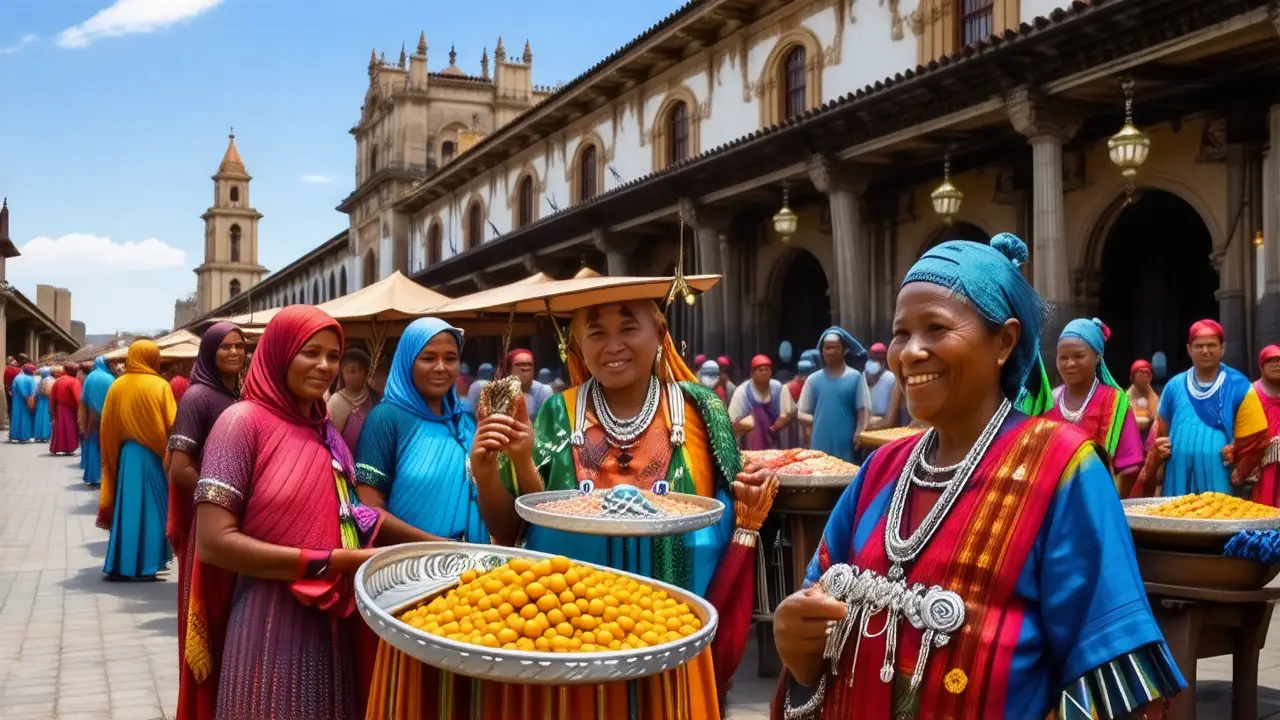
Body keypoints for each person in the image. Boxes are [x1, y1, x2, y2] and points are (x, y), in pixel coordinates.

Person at [771, 233, 1183, 720]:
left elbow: (1109, 669)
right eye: (902, 333)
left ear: (1005, 341)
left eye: (936, 328)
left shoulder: (1062, 470)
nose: (910, 352)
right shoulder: (882, 469)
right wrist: (799, 655)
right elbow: (816, 613)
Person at [469, 290, 759, 719]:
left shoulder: (702, 412)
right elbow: (514, 532)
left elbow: (734, 518)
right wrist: (494, 469)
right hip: (569, 645)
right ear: (578, 346)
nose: (613, 345)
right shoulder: (557, 413)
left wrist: (749, 497)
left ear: (660, 333)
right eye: (597, 332)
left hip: (674, 646)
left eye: (628, 327)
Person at [191, 306, 380, 720]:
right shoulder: (240, 424)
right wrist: (328, 562)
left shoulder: (324, 429)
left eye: (334, 355)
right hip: (268, 625)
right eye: (310, 352)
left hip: (333, 624)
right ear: (278, 353)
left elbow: (353, 515)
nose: (325, 366)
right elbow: (213, 542)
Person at [359, 318, 489, 718]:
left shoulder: (464, 422)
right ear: (406, 363)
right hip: (413, 579)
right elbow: (368, 512)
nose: (441, 368)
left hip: (474, 579)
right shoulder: (387, 420)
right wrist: (438, 546)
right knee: (416, 691)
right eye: (427, 357)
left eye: (451, 358)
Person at [166, 324, 246, 720]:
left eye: (239, 346)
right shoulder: (198, 397)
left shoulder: (241, 394)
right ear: (210, 352)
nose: (234, 353)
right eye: (225, 347)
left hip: (241, 523)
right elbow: (179, 469)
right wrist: (225, 494)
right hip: (212, 521)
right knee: (210, 620)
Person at [1133, 320, 1269, 498]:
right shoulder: (1174, 386)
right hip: (1177, 479)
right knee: (1175, 523)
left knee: (1219, 522)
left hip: (1222, 483)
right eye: (1199, 346)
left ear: (1223, 348)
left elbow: (1258, 439)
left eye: (1211, 345)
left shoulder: (1240, 386)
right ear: (1189, 349)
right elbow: (1162, 434)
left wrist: (1240, 469)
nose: (1205, 350)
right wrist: (1159, 454)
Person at [98, 341, 178, 581]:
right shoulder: (160, 385)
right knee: (155, 509)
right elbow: (173, 423)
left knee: (128, 510)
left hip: (126, 456)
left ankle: (122, 563)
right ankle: (148, 564)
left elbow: (107, 425)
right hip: (154, 457)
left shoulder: (117, 386)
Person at [1042, 318, 1145, 495]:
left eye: (1079, 356)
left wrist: (1112, 503)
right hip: (1053, 504)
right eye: (1063, 357)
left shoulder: (1114, 403)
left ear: (1097, 356)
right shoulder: (1048, 401)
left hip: (1097, 503)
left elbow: (1131, 466)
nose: (1070, 363)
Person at [797, 328, 870, 462]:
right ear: (822, 351)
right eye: (827, 348)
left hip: (846, 443)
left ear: (844, 350)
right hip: (820, 442)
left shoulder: (855, 378)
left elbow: (863, 409)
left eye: (835, 347)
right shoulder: (813, 380)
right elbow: (801, 413)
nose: (831, 351)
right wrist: (821, 420)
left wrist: (860, 431)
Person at [729, 354, 795, 450]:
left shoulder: (778, 388)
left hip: (776, 444)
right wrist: (746, 425)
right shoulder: (742, 391)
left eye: (767, 369)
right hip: (751, 447)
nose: (764, 373)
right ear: (752, 373)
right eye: (760, 370)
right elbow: (731, 422)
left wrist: (784, 420)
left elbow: (791, 412)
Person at [328, 348, 377, 452]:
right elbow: (331, 439)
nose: (357, 375)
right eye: (351, 370)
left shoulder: (375, 397)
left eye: (360, 370)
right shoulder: (335, 401)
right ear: (343, 374)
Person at [1251, 345, 1280, 507]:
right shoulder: (1252, 393)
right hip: (1261, 462)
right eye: (1271, 360)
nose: (1277, 364)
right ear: (1261, 366)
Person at [79, 357, 114, 485]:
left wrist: (83, 419)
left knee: (92, 445)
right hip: (107, 417)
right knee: (105, 447)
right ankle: (105, 477)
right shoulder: (110, 378)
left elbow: (83, 399)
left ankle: (93, 476)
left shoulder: (89, 378)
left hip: (91, 417)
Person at [505, 347, 553, 419]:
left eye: (529, 364)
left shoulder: (543, 391)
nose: (525, 368)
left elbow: (547, 422)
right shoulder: (500, 391)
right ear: (509, 370)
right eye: (519, 364)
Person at [864, 342, 902, 431]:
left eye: (879, 360)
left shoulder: (891, 379)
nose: (874, 363)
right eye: (872, 359)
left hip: (883, 427)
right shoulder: (860, 378)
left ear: (884, 362)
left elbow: (889, 422)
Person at [50, 362, 82, 456]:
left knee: (59, 428)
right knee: (70, 428)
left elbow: (52, 397)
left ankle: (57, 447)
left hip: (59, 408)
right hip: (71, 410)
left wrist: (52, 410)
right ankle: (69, 448)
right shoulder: (74, 381)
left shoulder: (58, 380)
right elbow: (78, 398)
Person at [1127, 359, 1160, 446]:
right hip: (1130, 439)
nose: (1144, 375)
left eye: (1147, 373)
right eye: (1140, 372)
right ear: (1132, 376)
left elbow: (1155, 416)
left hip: (1148, 439)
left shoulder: (1153, 397)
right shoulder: (1125, 397)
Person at [9, 363, 36, 443]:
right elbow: (31, 392)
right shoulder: (29, 379)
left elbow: (13, 388)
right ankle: (24, 436)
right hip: (25, 401)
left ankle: (15, 435)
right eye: (34, 370)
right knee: (25, 418)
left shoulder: (17, 377)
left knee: (16, 417)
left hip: (17, 401)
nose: (35, 372)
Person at [33, 366, 53, 442]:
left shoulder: (41, 380)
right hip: (47, 400)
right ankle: (46, 435)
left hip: (42, 400)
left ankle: (40, 435)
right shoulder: (51, 379)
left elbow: (37, 391)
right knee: (47, 417)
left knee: (40, 417)